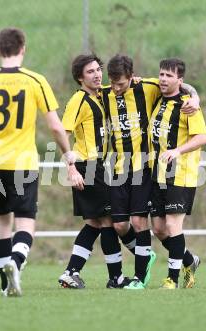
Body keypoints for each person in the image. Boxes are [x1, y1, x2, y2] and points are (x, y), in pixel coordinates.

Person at [0, 27, 79, 297]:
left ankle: (6, 283)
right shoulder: (35, 81)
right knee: (25, 222)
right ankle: (16, 263)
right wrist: (67, 154)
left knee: (2, 222)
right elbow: (55, 126)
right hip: (23, 162)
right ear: (22, 48)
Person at [102, 54, 200, 289]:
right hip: (118, 167)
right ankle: (185, 259)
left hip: (145, 167)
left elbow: (179, 85)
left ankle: (140, 277)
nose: (117, 88)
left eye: (122, 84)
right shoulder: (105, 93)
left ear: (132, 77)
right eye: (113, 83)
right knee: (119, 226)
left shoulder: (147, 87)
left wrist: (194, 97)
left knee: (139, 222)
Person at [58, 54, 130, 289]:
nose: (97, 74)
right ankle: (116, 277)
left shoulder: (102, 94)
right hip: (86, 166)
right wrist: (70, 168)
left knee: (94, 223)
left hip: (97, 166)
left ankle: (71, 272)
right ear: (80, 77)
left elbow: (125, 83)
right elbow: (62, 132)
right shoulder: (78, 100)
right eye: (90, 72)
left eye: (98, 69)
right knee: (107, 220)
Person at [149, 58, 206, 289]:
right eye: (161, 74)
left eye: (169, 76)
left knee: (173, 226)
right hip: (158, 175)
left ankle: (172, 278)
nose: (163, 79)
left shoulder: (188, 105)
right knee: (160, 230)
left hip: (181, 175)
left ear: (180, 81)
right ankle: (190, 260)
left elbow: (202, 137)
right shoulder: (156, 97)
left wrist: (177, 150)